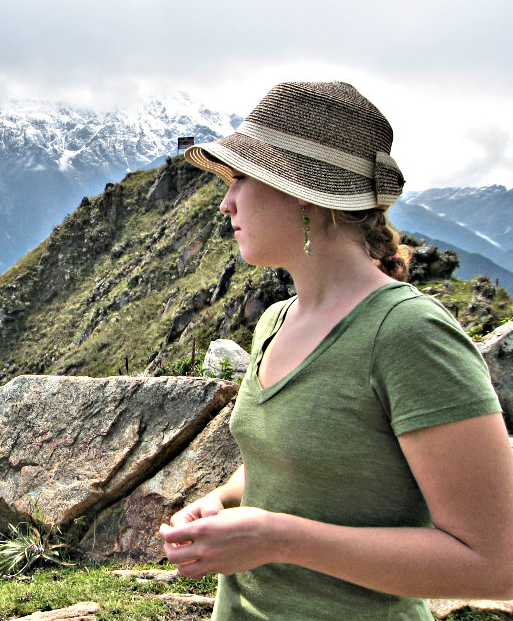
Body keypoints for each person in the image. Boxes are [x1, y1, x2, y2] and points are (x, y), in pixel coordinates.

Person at [157, 82, 513, 619]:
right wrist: (226, 500)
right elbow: (310, 462)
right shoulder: (276, 322)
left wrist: (277, 537)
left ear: (296, 187)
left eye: (242, 178)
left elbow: (495, 563)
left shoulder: (408, 335)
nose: (226, 201)